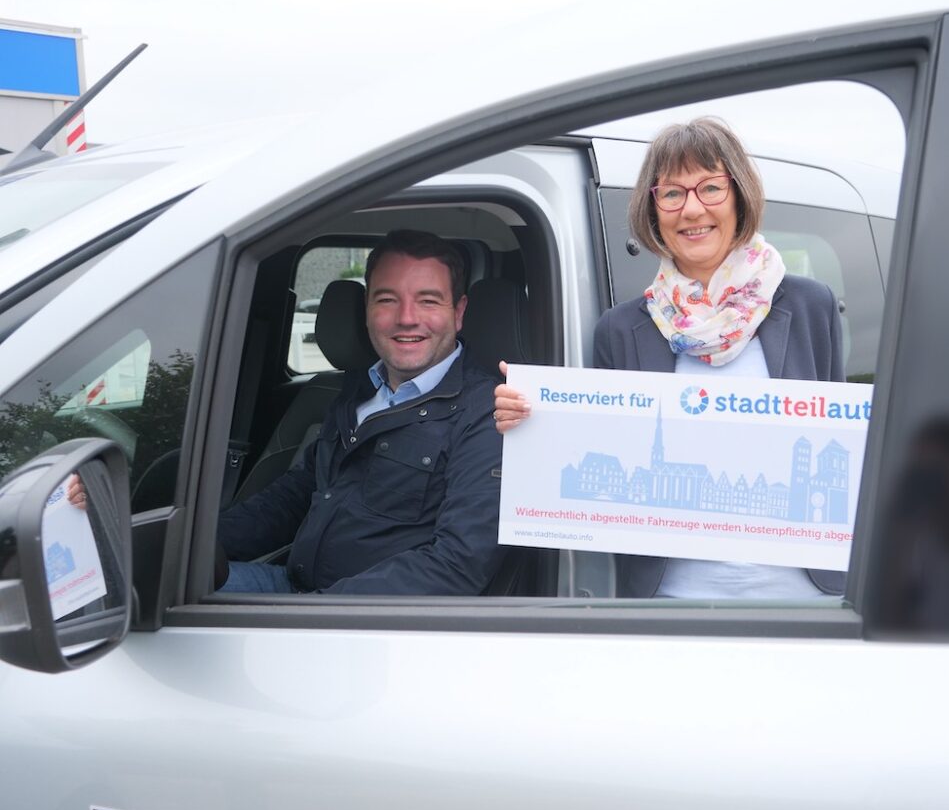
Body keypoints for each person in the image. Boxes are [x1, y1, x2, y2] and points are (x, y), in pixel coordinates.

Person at [493, 117, 845, 599]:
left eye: (710, 188)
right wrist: (534, 419)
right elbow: (603, 450)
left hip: (803, 599)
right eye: (673, 193)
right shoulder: (621, 331)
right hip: (671, 604)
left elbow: (839, 444)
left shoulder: (810, 306)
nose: (692, 208)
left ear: (739, 195)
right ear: (653, 208)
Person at [217, 229, 504, 594]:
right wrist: (196, 545)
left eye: (428, 301)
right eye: (387, 300)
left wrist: (310, 616)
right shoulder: (359, 390)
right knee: (161, 585)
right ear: (367, 308)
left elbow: (455, 566)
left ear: (458, 312)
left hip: (358, 623)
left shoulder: (489, 413)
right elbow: (295, 496)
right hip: (292, 587)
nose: (406, 318)